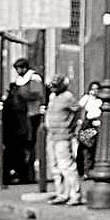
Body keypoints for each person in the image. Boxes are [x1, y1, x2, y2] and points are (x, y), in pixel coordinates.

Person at [41, 77, 82, 205]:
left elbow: (77, 110)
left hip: (63, 136)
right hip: (52, 135)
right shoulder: (53, 97)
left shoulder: (67, 96)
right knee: (55, 167)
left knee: (67, 166)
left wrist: (71, 126)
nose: (53, 88)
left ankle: (74, 195)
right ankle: (61, 193)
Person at [6, 57, 44, 183]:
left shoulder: (34, 78)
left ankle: (29, 173)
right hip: (20, 117)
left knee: (30, 144)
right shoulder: (19, 80)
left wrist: (21, 94)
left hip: (33, 114)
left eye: (20, 68)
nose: (18, 71)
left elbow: (37, 94)